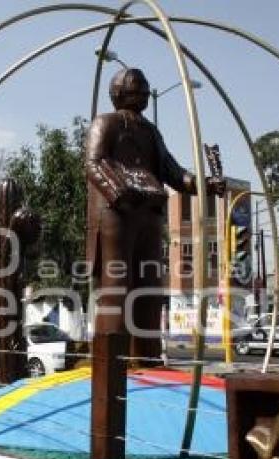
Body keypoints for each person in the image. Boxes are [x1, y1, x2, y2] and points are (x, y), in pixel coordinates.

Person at [84, 67, 223, 362]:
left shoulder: (151, 132)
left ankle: (146, 356)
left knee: (149, 286)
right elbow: (93, 163)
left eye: (146, 87)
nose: (144, 92)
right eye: (137, 86)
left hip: (149, 216)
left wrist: (204, 184)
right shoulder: (104, 123)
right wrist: (119, 191)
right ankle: (112, 360)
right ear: (118, 92)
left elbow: (173, 172)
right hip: (116, 215)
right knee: (116, 285)